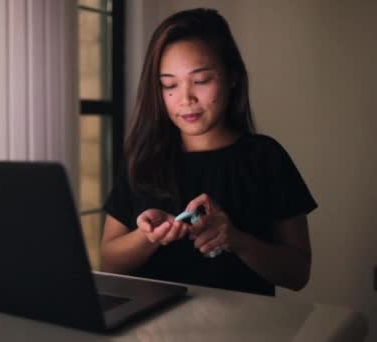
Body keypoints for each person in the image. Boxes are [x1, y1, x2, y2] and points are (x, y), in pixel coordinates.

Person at [100, 8, 317, 296]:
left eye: (201, 81)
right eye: (169, 85)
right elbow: (109, 261)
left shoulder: (266, 158)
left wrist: (237, 241)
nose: (185, 99)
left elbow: (298, 273)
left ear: (233, 77)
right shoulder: (143, 159)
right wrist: (149, 237)